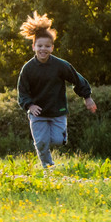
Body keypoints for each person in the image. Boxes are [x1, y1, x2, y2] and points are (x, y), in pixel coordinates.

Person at [16, 12, 97, 169]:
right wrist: (29, 105)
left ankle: (61, 138)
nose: (43, 49)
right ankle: (48, 168)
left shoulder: (60, 65)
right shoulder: (28, 69)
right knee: (41, 143)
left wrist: (87, 97)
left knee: (58, 141)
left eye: (47, 46)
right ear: (33, 47)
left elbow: (76, 78)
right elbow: (22, 91)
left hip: (57, 111)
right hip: (37, 114)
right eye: (39, 46)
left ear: (52, 48)